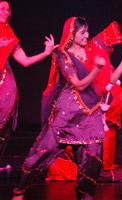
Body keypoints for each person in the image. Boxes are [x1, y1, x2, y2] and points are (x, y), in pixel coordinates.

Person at [12, 17, 122, 200]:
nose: (87, 35)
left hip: (90, 116)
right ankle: (20, 190)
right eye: (82, 32)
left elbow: (110, 79)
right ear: (72, 34)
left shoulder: (92, 52)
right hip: (65, 116)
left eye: (87, 31)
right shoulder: (63, 55)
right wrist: (95, 69)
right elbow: (78, 85)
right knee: (38, 155)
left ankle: (85, 197)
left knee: (91, 162)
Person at [0, 0, 58, 167]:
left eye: (8, 10)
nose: (6, 12)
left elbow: (24, 61)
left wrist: (46, 53)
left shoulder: (7, 32)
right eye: (2, 9)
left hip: (4, 85)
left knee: (4, 123)